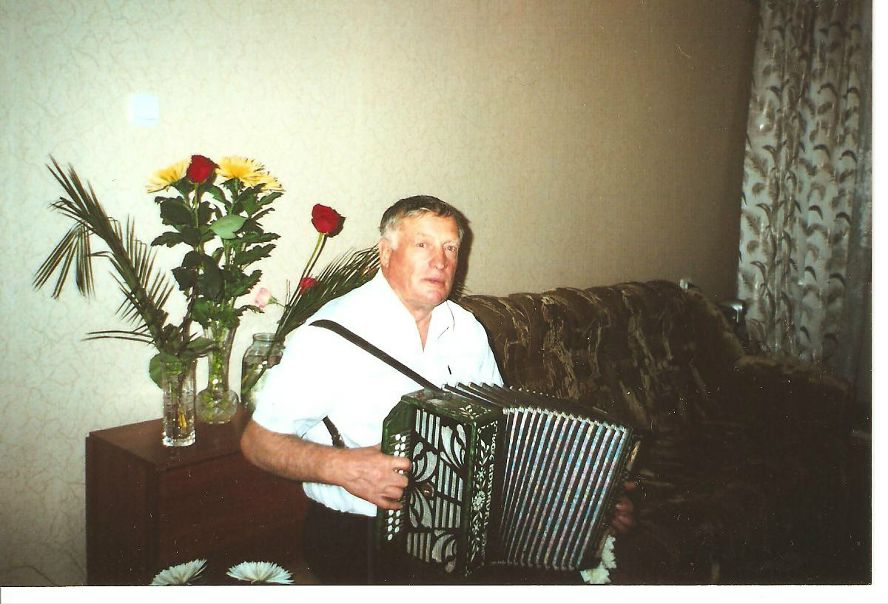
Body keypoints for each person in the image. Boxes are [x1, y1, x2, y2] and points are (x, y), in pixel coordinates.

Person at [240, 195, 634, 584]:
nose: (440, 261)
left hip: (459, 528)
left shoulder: (467, 329)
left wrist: (585, 498)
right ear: (385, 252)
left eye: (450, 248)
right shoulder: (328, 335)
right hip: (360, 533)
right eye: (423, 245)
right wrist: (343, 468)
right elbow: (258, 443)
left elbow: (502, 438)